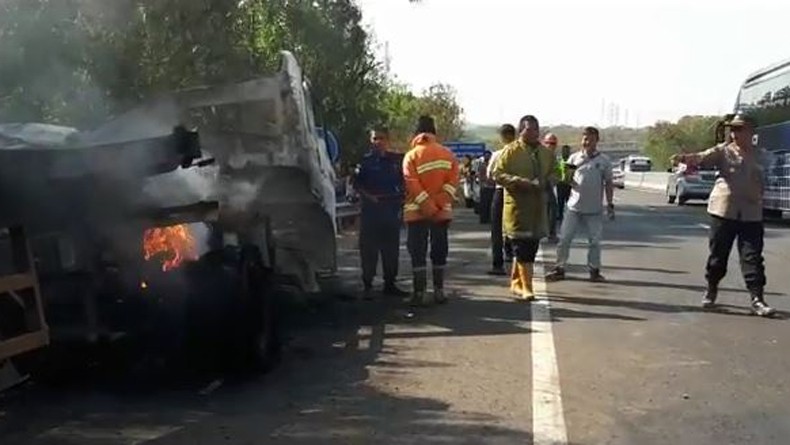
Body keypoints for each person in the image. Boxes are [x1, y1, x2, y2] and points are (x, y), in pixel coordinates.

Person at [669, 113, 775, 317]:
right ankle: (711, 289)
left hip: (751, 213)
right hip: (723, 211)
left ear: (751, 132)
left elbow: (771, 175)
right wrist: (684, 158)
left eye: (739, 129)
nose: (735, 134)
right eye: (732, 129)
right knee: (718, 255)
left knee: (752, 257)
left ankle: (757, 298)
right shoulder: (723, 152)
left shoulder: (761, 155)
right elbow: (701, 157)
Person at [491, 115, 556, 300]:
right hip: (518, 207)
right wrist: (518, 182)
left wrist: (549, 181)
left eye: (536, 129)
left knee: (531, 246)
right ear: (521, 131)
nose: (534, 132)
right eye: (529, 129)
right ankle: (527, 287)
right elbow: (497, 174)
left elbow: (555, 172)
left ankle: (515, 283)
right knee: (521, 247)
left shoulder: (545, 153)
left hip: (537, 208)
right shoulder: (510, 151)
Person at [402, 115, 460, 306]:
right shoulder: (448, 154)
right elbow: (452, 184)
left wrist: (426, 205)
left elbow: (411, 183)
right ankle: (439, 290)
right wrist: (437, 204)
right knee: (439, 249)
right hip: (441, 212)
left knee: (417, 251)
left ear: (416, 133)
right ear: (434, 132)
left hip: (416, 212)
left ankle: (419, 293)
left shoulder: (410, 156)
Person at [545, 127, 615, 282]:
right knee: (565, 239)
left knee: (595, 242)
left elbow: (609, 183)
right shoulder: (574, 158)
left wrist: (610, 205)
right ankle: (559, 268)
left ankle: (594, 270)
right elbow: (566, 179)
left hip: (594, 209)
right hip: (574, 207)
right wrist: (561, 175)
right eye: (584, 139)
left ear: (597, 140)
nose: (586, 142)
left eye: (590, 139)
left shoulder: (604, 161)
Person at [353, 127, 409, 299]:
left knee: (391, 251)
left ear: (388, 140)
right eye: (375, 138)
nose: (378, 141)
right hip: (371, 212)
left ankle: (390, 284)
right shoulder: (364, 162)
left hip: (391, 211)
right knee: (369, 251)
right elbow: (357, 185)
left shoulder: (396, 161)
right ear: (371, 140)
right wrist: (370, 197)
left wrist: (403, 198)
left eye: (381, 138)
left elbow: (405, 182)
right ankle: (367, 286)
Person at [486, 124, 517, 275]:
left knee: (497, 229)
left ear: (502, 137)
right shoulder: (520, 154)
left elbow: (489, 175)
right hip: (517, 192)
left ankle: (497, 264)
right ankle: (514, 257)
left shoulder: (498, 154)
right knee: (516, 226)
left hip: (500, 191)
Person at [543, 133, 560, 242]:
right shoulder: (539, 154)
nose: (550, 145)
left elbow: (557, 172)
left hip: (548, 185)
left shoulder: (554, 157)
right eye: (548, 143)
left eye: (553, 143)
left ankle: (551, 233)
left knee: (552, 208)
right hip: (536, 185)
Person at [556, 144, 573, 222]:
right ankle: (560, 215)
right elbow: (556, 170)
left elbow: (573, 173)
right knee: (560, 201)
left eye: (567, 151)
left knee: (569, 201)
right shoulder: (559, 160)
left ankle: (570, 216)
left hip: (569, 185)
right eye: (564, 151)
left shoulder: (572, 161)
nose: (565, 152)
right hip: (560, 184)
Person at [476, 150, 495, 224]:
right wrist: (485, 180)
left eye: (488, 155)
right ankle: (483, 219)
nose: (487, 157)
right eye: (486, 155)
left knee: (491, 204)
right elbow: (479, 175)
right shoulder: (482, 165)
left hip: (492, 187)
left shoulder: (493, 164)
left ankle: (490, 219)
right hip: (484, 187)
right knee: (484, 204)